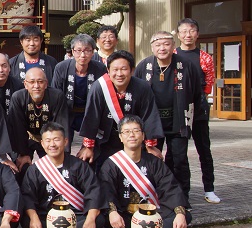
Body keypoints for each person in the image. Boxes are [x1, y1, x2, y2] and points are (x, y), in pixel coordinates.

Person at [99, 115, 191, 228]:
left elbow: (170, 187)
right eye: (127, 131)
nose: (132, 135)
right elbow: (106, 191)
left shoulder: (154, 162)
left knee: (185, 216)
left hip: (153, 214)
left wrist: (180, 214)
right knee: (107, 220)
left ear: (143, 135)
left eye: (136, 131)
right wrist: (113, 212)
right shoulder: (111, 164)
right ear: (120, 137)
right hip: (127, 215)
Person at [134, 31, 201, 204]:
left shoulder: (186, 65)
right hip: (152, 123)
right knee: (149, 160)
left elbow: (195, 91)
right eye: (158, 44)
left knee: (179, 160)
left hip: (178, 121)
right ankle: (151, 195)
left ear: (173, 46)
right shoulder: (144, 66)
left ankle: (181, 197)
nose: (162, 48)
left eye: (166, 44)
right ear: (152, 47)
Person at [20, 122, 104, 228]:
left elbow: (93, 191)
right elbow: (28, 196)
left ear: (65, 141)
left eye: (56, 140)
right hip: (47, 217)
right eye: (48, 141)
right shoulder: (35, 169)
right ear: (42, 144)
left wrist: (91, 219)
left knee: (99, 219)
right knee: (26, 220)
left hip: (76, 217)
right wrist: (34, 218)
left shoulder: (78, 166)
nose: (52, 144)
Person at [78, 50, 164, 171]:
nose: (119, 74)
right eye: (115, 69)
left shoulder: (142, 87)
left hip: (133, 138)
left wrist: (150, 146)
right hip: (105, 139)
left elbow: (149, 116)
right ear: (108, 71)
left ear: (132, 70)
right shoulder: (99, 87)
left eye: (124, 69)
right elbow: (91, 118)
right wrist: (88, 147)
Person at [175, 18, 220, 204]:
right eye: (184, 31)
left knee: (204, 148)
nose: (188, 35)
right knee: (177, 151)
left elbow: (209, 81)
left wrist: (199, 100)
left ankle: (209, 189)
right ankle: (177, 190)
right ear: (178, 35)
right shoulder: (172, 54)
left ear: (197, 34)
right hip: (177, 107)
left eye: (191, 31)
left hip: (199, 106)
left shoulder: (205, 57)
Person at [8, 68, 70, 172]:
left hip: (49, 139)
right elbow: (17, 128)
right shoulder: (18, 97)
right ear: (25, 84)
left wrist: (60, 152)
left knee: (56, 168)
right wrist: (23, 153)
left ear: (46, 84)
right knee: (22, 167)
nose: (36, 86)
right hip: (27, 138)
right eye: (32, 82)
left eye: (40, 82)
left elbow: (61, 126)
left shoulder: (57, 96)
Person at [51, 34, 107, 146]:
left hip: (90, 112)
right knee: (63, 144)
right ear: (72, 51)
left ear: (93, 52)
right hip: (66, 111)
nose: (83, 55)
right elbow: (55, 94)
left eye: (87, 50)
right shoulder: (61, 67)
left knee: (93, 145)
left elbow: (103, 95)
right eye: (78, 50)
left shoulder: (100, 68)